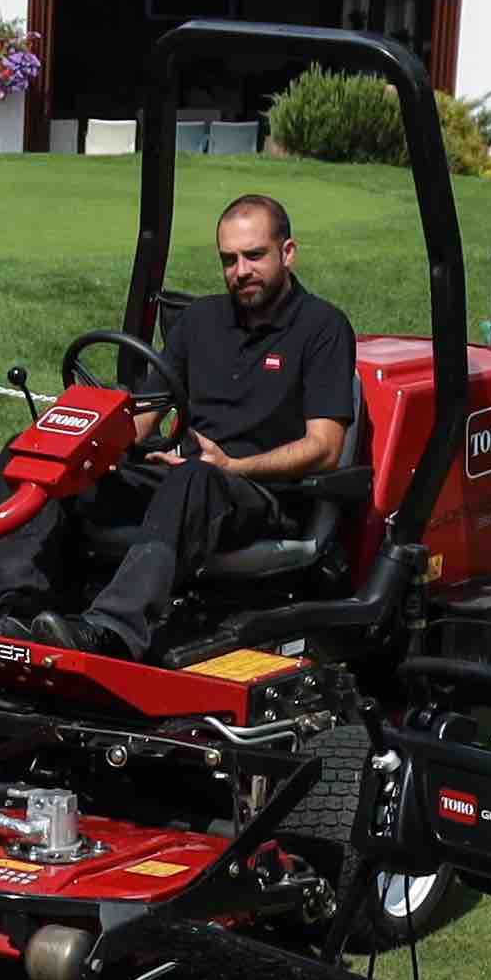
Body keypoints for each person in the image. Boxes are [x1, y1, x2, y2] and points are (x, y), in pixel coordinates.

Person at [72, 191, 361, 652]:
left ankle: (111, 631)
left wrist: (232, 467)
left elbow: (324, 448)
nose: (240, 271)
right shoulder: (200, 320)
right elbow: (144, 417)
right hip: (185, 483)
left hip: (264, 496)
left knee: (195, 479)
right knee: (51, 469)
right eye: (229, 259)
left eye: (254, 255)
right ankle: (13, 611)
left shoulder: (321, 327)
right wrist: (78, 443)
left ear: (287, 252)